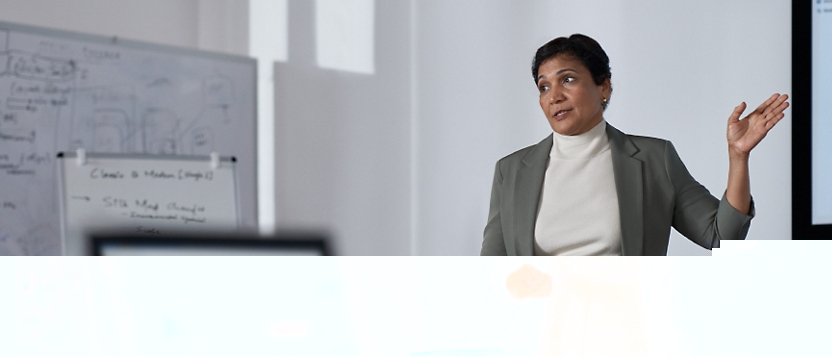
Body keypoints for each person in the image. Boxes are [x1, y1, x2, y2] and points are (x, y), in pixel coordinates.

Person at [481, 34, 789, 256]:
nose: (554, 96)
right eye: (543, 86)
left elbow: (722, 238)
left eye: (568, 80)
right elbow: (490, 275)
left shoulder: (655, 159)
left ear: (604, 86)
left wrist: (738, 156)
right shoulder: (511, 171)